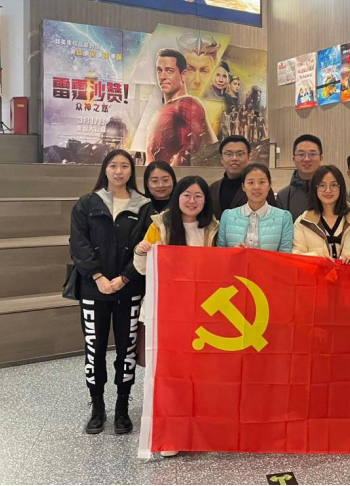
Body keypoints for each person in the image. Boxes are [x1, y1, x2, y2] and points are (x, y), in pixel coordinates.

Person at [134, 175, 218, 458]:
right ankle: (169, 435)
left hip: (199, 313)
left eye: (198, 196)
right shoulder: (160, 225)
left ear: (205, 200)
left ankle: (196, 431)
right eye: (187, 195)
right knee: (168, 376)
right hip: (165, 313)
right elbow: (143, 269)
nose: (192, 201)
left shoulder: (212, 228)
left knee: (198, 375)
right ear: (177, 197)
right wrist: (141, 252)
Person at [69, 149, 151, 436]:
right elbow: (78, 244)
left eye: (124, 166)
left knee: (127, 350)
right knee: (95, 349)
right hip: (94, 290)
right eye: (113, 165)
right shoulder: (87, 203)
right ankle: (97, 407)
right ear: (105, 169)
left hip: (129, 290)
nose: (119, 171)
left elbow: (146, 246)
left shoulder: (144, 206)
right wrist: (98, 277)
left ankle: (122, 407)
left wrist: (124, 278)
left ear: (131, 171)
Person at [145, 48, 217, 166]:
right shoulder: (165, 109)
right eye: (159, 70)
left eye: (169, 70)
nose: (162, 76)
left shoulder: (188, 104)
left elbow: (188, 152)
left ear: (183, 75)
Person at [292, 165, 350, 261]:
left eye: (333, 185)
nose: (328, 190)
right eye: (322, 185)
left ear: (341, 188)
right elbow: (296, 258)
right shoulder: (303, 222)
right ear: (315, 188)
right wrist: (317, 257)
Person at [218, 163, 293, 252]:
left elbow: (285, 255)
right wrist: (233, 252)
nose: (256, 187)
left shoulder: (284, 218)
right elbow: (220, 253)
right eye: (250, 182)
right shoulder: (227, 216)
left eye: (262, 182)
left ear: (269, 185)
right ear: (243, 187)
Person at [209, 135, 276, 219]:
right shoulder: (213, 189)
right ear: (221, 159)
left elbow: (273, 219)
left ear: (249, 157)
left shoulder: (260, 189)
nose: (234, 158)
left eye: (240, 154)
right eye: (229, 154)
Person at [277, 134, 324, 222]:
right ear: (294, 159)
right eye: (301, 154)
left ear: (321, 158)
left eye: (312, 154)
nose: (306, 159)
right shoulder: (283, 196)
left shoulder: (334, 191)